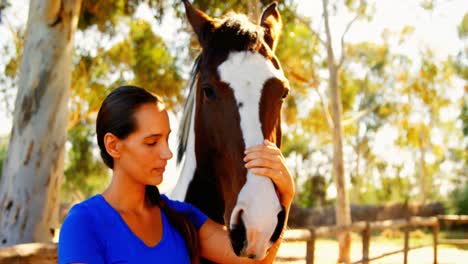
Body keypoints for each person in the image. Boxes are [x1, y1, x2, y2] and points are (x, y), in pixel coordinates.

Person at [58, 85, 294, 264]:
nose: (167, 153)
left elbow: (254, 260)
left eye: (166, 139)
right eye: (151, 143)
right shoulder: (84, 223)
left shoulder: (183, 219)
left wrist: (285, 196)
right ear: (113, 146)